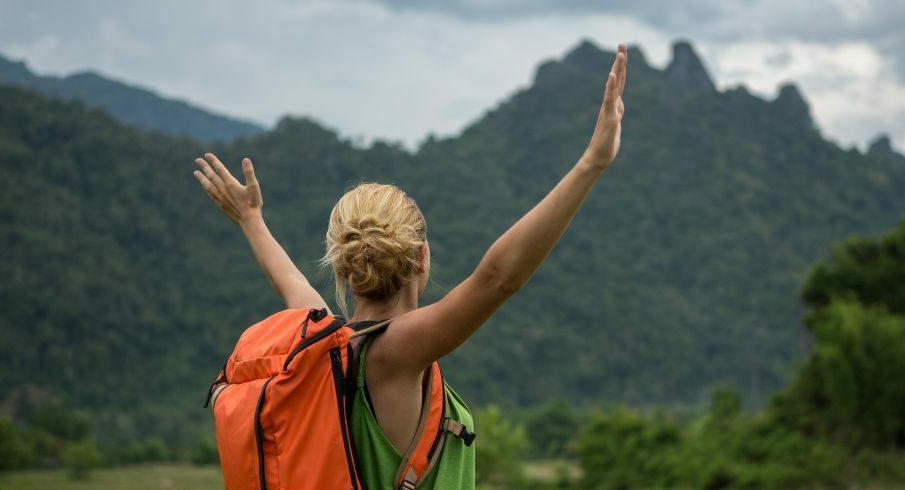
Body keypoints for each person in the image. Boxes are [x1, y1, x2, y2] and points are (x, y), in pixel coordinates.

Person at [192, 43, 628, 489]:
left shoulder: (323, 349)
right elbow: (498, 278)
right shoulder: (396, 354)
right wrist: (591, 163)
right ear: (421, 256)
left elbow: (292, 286)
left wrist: (252, 221)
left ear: (343, 268)